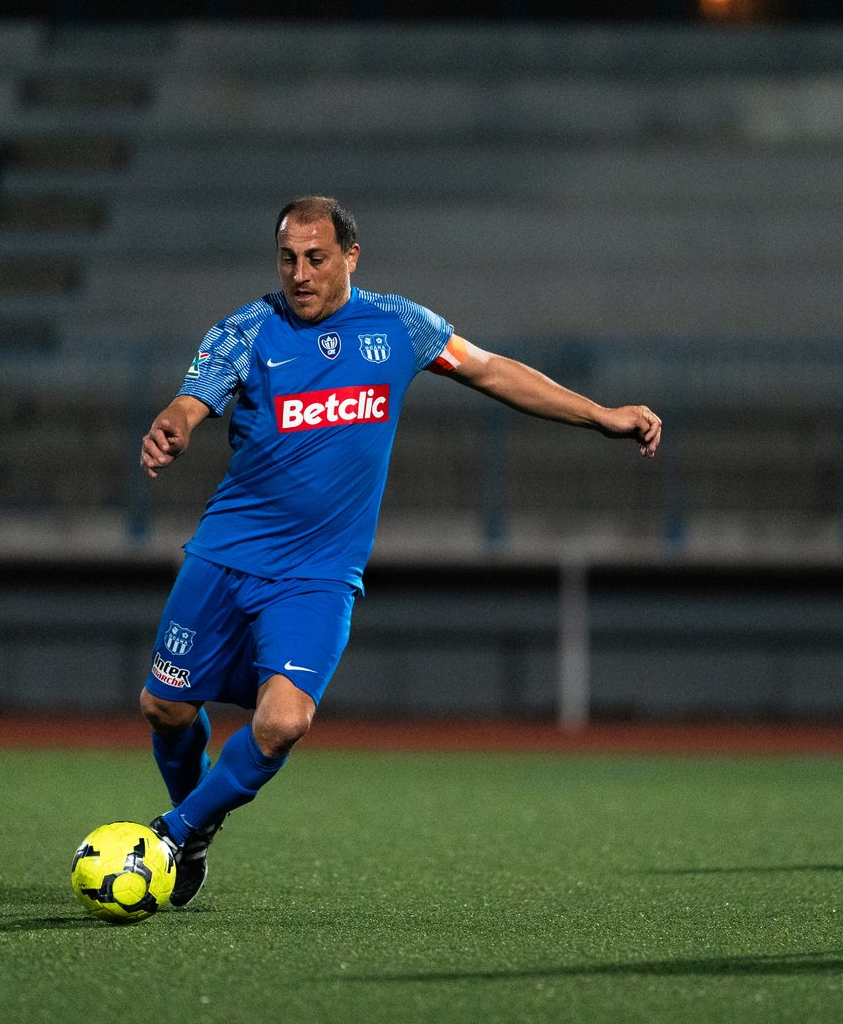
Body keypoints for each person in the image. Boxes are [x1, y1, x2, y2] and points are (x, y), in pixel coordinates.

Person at [137, 196, 662, 906]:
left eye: (316, 258)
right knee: (164, 707)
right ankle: (194, 829)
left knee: (285, 718)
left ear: (351, 258)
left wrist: (601, 415)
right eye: (288, 259)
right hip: (225, 554)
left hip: (316, 576)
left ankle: (173, 833)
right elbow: (191, 401)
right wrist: (173, 424)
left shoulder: (400, 326)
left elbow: (493, 370)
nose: (300, 273)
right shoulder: (246, 331)